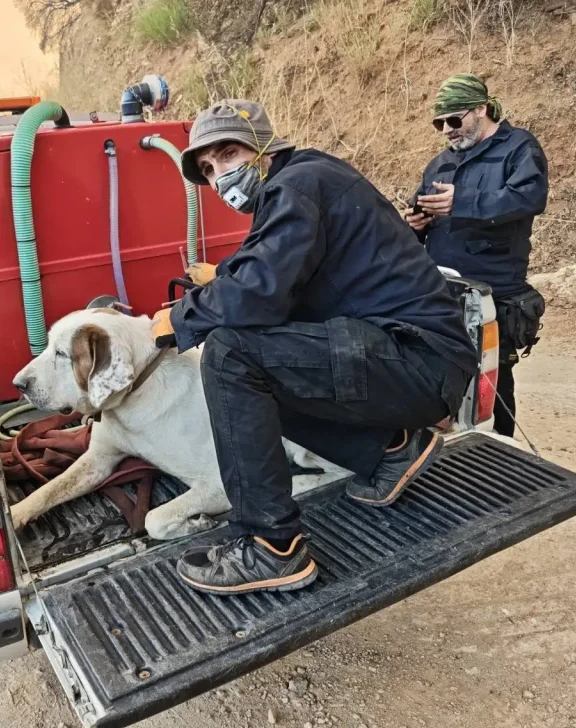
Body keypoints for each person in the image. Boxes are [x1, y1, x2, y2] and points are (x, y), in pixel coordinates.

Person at [149, 100, 477, 594]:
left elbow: (259, 290)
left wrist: (177, 318)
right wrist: (221, 279)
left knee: (231, 356)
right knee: (263, 373)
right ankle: (389, 450)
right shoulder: (301, 183)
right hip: (411, 356)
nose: (221, 176)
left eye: (229, 154)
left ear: (266, 146)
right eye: (209, 169)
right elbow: (265, 265)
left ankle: (270, 546)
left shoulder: (296, 185)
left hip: (415, 357)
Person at [405, 74, 549, 437]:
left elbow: (529, 198)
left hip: (493, 290)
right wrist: (415, 224)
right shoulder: (440, 163)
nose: (447, 131)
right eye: (439, 124)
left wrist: (463, 202)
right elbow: (421, 212)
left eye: (454, 120)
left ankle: (501, 450)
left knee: (492, 384)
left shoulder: (519, 147)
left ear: (481, 109)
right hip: (442, 287)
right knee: (438, 374)